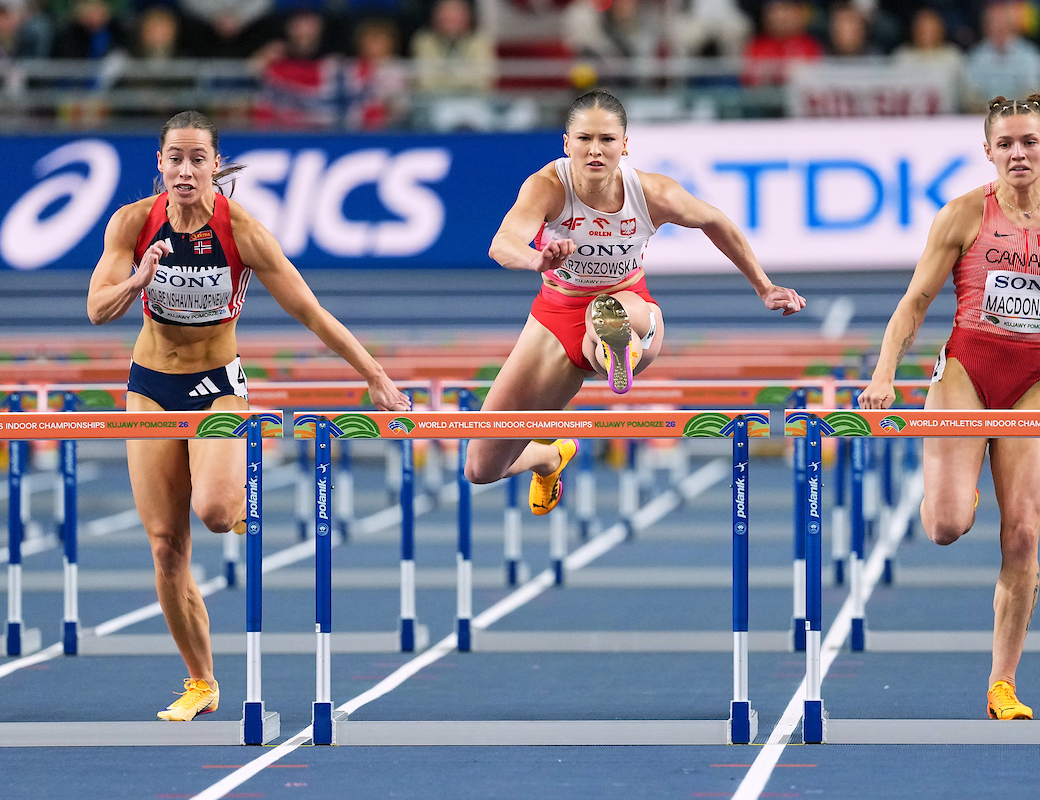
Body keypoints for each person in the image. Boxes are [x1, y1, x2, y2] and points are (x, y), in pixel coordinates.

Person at [85, 110, 411, 721]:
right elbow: (97, 310)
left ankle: (233, 499)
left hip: (217, 390)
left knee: (213, 513)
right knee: (165, 547)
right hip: (149, 388)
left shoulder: (244, 232)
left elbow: (311, 313)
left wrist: (374, 376)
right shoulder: (133, 224)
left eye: (197, 158)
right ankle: (201, 681)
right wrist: (138, 280)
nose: (185, 170)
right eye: (174, 158)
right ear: (159, 164)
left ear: (215, 163)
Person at [860, 94, 1040, 720]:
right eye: (1006, 144)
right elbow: (914, 302)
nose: (1018, 153)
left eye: (1029, 142)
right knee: (944, 527)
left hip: (1033, 383)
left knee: (1022, 535)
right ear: (989, 151)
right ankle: (957, 481)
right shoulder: (964, 214)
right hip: (966, 374)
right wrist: (884, 373)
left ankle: (1002, 684)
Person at [464, 89, 804, 516]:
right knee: (481, 467)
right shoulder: (548, 186)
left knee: (605, 318)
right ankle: (550, 456)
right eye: (584, 139)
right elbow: (502, 243)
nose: (595, 150)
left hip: (630, 306)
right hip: (554, 315)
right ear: (567, 144)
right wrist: (535, 258)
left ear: (625, 145)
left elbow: (716, 221)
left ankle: (615, 347)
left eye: (607, 140)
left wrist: (764, 286)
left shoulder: (653, 193)